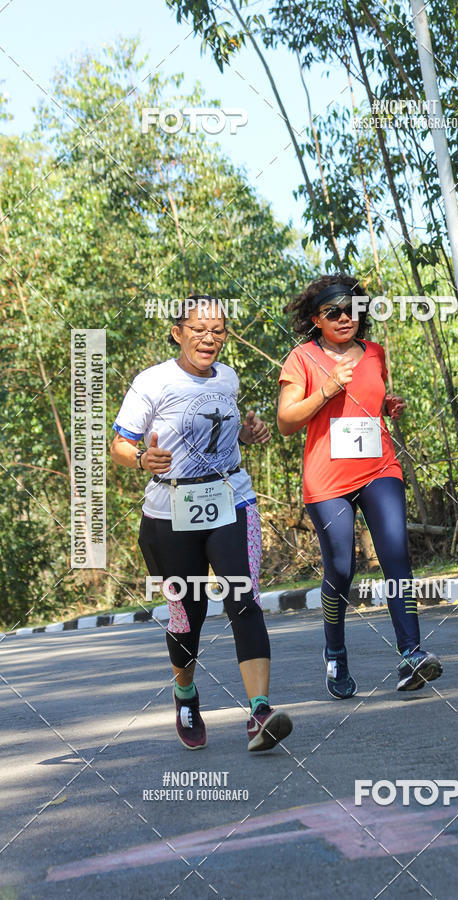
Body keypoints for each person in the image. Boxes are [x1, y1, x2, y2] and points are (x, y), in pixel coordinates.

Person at [110, 295, 293, 751]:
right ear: (177, 332)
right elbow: (119, 444)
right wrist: (140, 458)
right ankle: (186, 694)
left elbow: (221, 434)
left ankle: (260, 712)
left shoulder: (227, 379)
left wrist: (247, 434)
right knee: (187, 615)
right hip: (169, 512)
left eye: (218, 331)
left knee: (243, 598)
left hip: (231, 499)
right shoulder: (152, 382)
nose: (209, 338)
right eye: (198, 329)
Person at [277, 275, 442, 698]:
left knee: (396, 555)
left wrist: (387, 405)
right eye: (333, 312)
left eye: (352, 309)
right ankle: (335, 652)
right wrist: (327, 390)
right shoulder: (302, 358)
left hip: (379, 467)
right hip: (327, 478)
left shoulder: (374, 353)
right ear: (317, 319)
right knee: (341, 569)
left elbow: (368, 397)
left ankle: (411, 656)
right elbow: (286, 422)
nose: (345, 317)